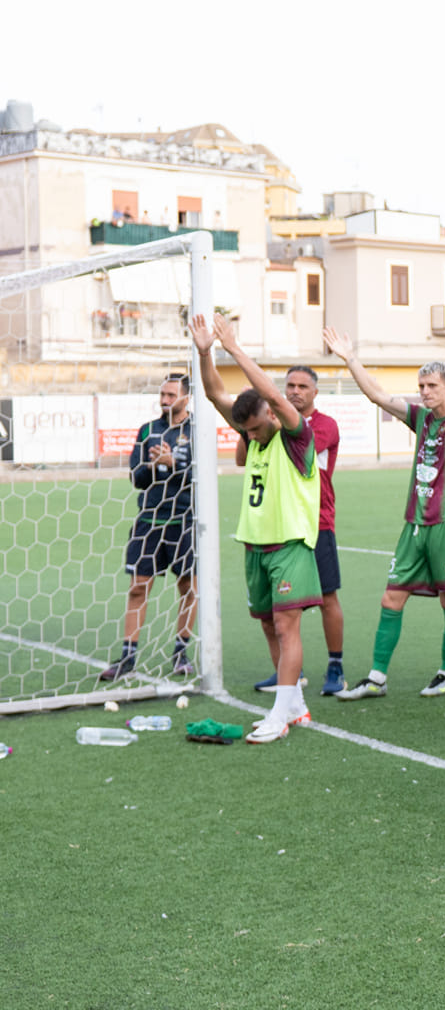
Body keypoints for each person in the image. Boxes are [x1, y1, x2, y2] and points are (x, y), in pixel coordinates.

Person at [327, 328, 445, 699]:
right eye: (421, 385)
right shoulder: (421, 418)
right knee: (391, 598)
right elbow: (378, 395)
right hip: (413, 526)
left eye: (430, 385)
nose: (424, 391)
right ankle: (376, 678)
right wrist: (350, 358)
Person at [191, 316, 321, 743]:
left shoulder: (296, 436)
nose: (248, 438)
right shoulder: (254, 430)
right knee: (269, 626)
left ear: (272, 414)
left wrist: (235, 348)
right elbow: (213, 393)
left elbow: (268, 392)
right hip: (255, 546)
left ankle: (280, 714)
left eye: (255, 428)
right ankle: (295, 705)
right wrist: (207, 350)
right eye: (244, 431)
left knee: (287, 627)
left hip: (291, 546)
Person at [100, 372, 198, 682]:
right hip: (149, 521)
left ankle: (181, 654)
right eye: (163, 395)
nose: (165, 400)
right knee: (138, 587)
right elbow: (136, 479)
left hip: (184, 520)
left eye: (172, 395)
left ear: (186, 397)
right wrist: (154, 465)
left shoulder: (197, 431)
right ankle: (127, 657)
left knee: (188, 588)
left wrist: (174, 464)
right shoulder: (148, 431)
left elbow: (200, 478)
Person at [254, 364, 345, 696]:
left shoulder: (325, 426)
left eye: (302, 386)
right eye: (290, 385)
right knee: (283, 607)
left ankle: (336, 666)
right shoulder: (271, 423)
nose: (294, 391)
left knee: (328, 597)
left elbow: (295, 446)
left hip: (317, 522)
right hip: (281, 525)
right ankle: (291, 671)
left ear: (315, 392)